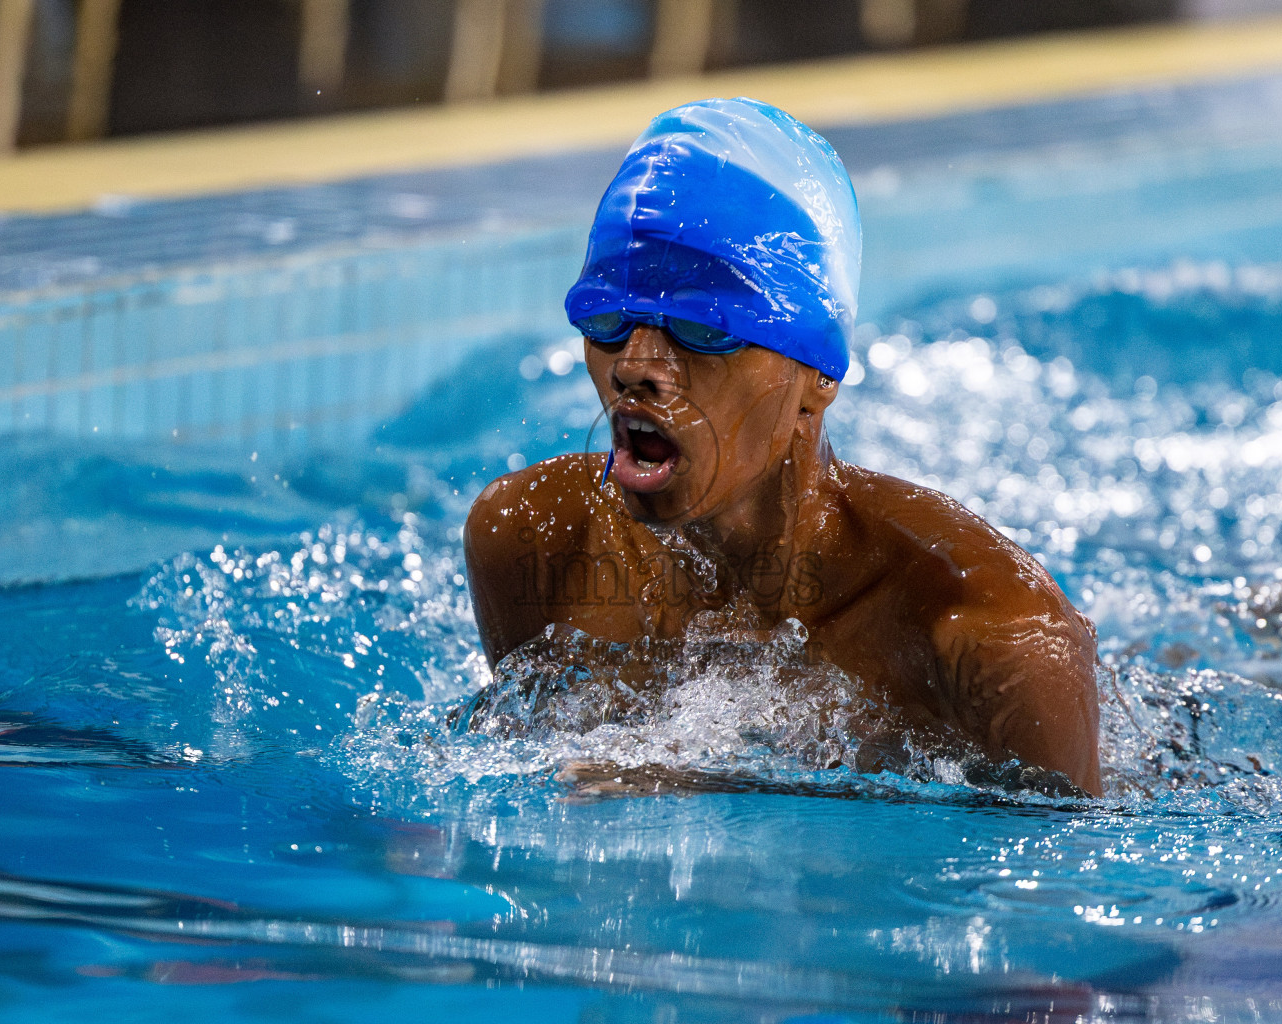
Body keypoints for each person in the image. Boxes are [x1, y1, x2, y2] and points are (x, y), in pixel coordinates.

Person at [463, 98, 1102, 795]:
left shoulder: (994, 631)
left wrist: (717, 785)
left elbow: (1065, 876)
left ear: (817, 376)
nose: (634, 363)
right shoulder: (533, 541)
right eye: (611, 320)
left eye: (705, 330)